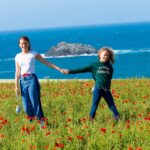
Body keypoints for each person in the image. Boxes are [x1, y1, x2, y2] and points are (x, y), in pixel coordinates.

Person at [15, 36, 64, 126]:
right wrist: (16, 86)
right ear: (19, 45)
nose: (23, 45)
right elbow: (17, 72)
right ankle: (31, 122)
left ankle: (41, 122)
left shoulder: (33, 54)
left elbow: (46, 62)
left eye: (25, 43)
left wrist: (59, 69)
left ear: (28, 43)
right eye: (21, 43)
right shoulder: (17, 57)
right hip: (22, 81)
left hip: (32, 79)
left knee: (35, 101)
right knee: (26, 106)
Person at [63, 47, 120, 121]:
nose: (106, 57)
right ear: (99, 54)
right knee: (94, 105)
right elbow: (81, 69)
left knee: (112, 106)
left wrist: (108, 89)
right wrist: (70, 71)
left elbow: (109, 79)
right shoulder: (94, 65)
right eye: (105, 55)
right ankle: (90, 120)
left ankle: (118, 120)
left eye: (108, 56)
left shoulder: (110, 67)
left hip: (106, 90)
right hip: (98, 88)